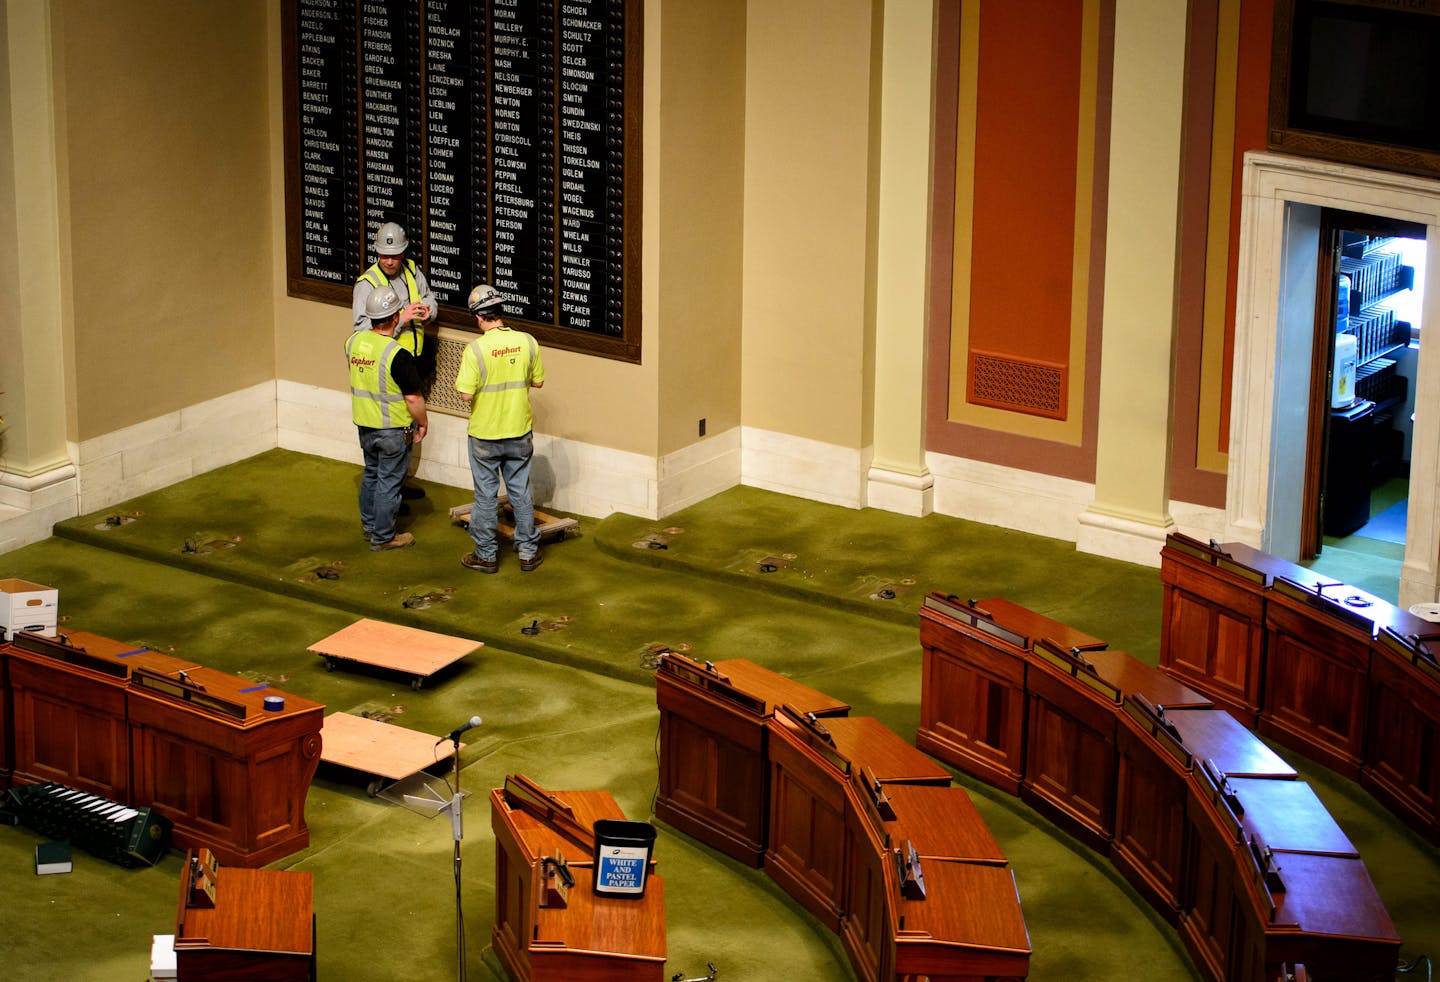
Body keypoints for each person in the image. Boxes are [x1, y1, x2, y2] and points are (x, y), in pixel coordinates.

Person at [455, 284, 545, 573]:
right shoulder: (528, 342)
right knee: (520, 491)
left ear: (478, 317)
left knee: (485, 495)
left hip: (484, 435)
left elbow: (466, 394)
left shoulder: (475, 350)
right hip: (519, 431)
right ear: (500, 312)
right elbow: (539, 382)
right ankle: (528, 553)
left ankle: (487, 556)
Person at [352, 222, 436, 501]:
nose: (389, 261)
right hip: (388, 366)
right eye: (384, 255)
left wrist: (427, 311)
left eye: (395, 255)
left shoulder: (412, 270)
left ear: (403, 253)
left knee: (406, 426)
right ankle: (391, 492)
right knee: (395, 426)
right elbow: (363, 329)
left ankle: (397, 481)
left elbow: (429, 298)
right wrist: (402, 318)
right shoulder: (367, 283)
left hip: (413, 358)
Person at [345, 285, 429, 551]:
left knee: (371, 474)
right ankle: (383, 537)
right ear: (396, 318)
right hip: (393, 428)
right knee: (389, 482)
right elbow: (413, 398)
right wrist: (424, 423)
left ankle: (370, 527)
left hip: (365, 425)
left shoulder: (353, 343)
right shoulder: (397, 354)